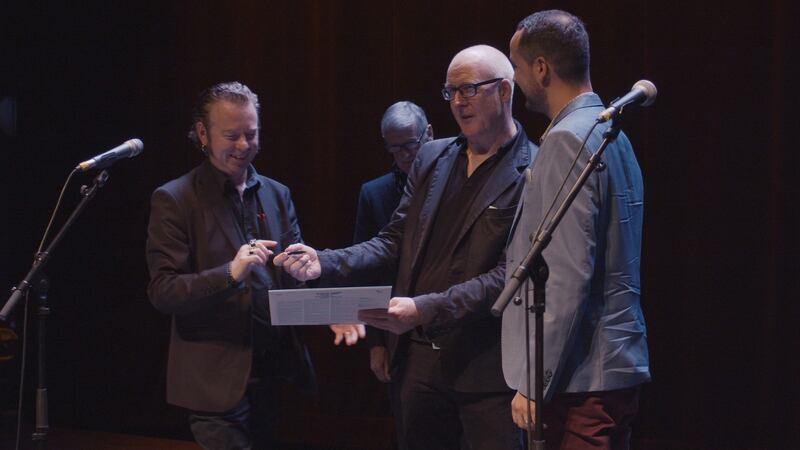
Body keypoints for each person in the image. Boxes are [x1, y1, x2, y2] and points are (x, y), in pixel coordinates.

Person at [275, 45, 536, 450]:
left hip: (488, 372)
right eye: (451, 92)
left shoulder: (533, 170)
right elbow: (393, 241)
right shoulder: (433, 157)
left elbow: (508, 275)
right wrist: (322, 263)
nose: (458, 102)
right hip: (419, 363)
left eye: (468, 89)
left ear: (504, 90)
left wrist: (423, 308)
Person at [503, 10, 651, 449]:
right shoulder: (612, 135)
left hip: (582, 375)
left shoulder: (569, 138)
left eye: (516, 67)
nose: (516, 78)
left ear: (541, 68)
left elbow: (568, 274)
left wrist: (533, 379)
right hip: (613, 365)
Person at [146, 81, 315, 449]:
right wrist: (229, 273)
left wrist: (326, 304)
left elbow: (291, 275)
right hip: (214, 380)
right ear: (203, 133)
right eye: (232, 135)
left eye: (251, 134)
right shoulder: (175, 199)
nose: (243, 145)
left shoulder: (276, 193)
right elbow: (164, 292)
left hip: (272, 372)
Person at [353, 101, 433, 450]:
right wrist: (375, 343)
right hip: (398, 332)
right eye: (393, 148)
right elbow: (367, 271)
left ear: (429, 134)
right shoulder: (375, 193)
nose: (402, 156)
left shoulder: (461, 178)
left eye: (409, 145)